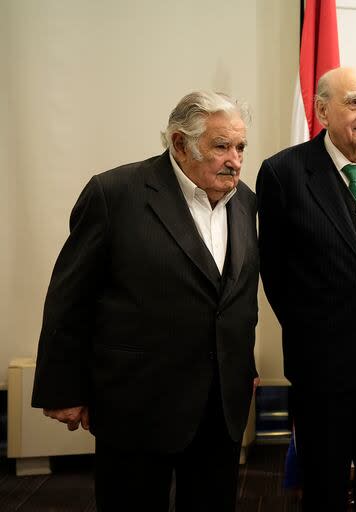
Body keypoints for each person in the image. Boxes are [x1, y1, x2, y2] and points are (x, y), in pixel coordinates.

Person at [32, 91, 260, 511]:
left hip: (220, 405)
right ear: (179, 143)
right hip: (137, 404)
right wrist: (63, 387)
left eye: (241, 146)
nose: (235, 159)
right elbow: (69, 296)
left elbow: (238, 297)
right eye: (221, 146)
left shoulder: (244, 201)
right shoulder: (115, 193)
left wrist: (245, 364)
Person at [256, 67, 356, 511]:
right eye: (355, 102)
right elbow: (274, 271)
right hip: (321, 364)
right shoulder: (283, 173)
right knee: (323, 485)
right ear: (323, 111)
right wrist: (314, 332)